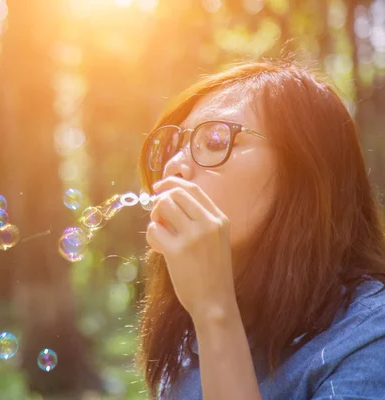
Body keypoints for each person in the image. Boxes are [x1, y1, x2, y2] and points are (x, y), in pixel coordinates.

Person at [137, 58, 385, 400]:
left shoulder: (369, 335)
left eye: (214, 139)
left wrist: (215, 311)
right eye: (174, 146)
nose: (174, 167)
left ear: (302, 173)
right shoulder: (187, 333)